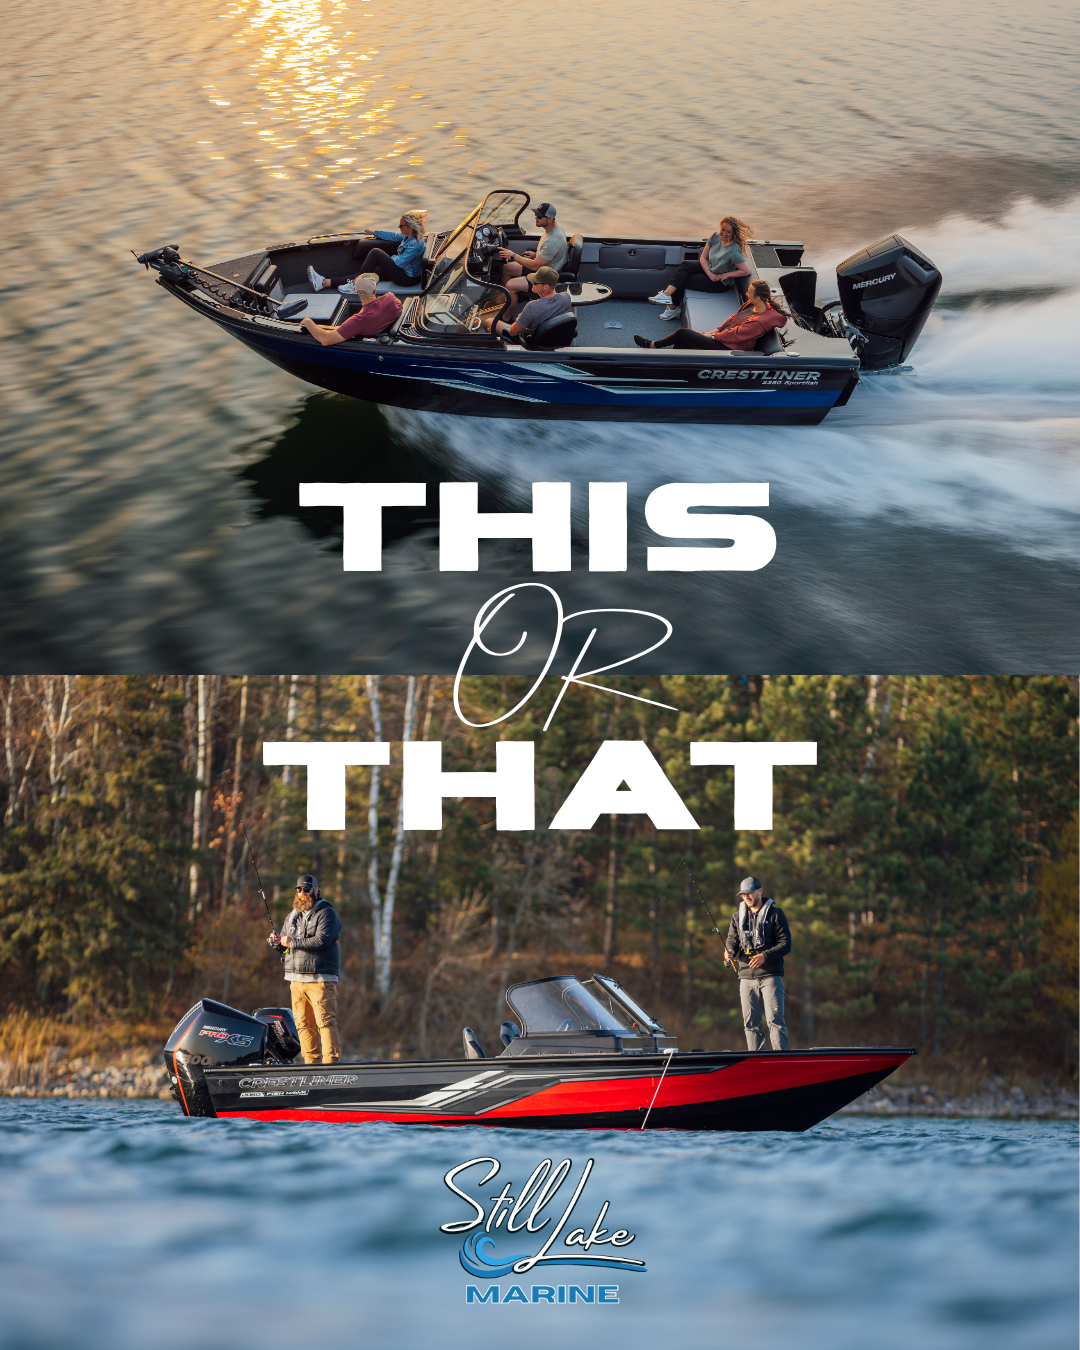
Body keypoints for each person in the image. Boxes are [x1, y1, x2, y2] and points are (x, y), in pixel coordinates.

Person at [268, 874, 342, 1065]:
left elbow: (322, 940)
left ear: (316, 891)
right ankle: (311, 1067)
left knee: (325, 1023)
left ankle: (331, 1067)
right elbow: (286, 947)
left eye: (306, 890)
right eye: (299, 890)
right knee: (303, 1025)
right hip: (296, 980)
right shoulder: (292, 916)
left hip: (320, 980)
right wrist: (278, 943)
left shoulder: (327, 913)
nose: (302, 893)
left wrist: (293, 942)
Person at [724, 876, 791, 1052]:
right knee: (751, 1023)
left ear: (759, 891)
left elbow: (786, 944)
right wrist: (729, 952)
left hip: (771, 976)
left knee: (775, 1020)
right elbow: (732, 941)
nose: (746, 897)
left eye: (750, 893)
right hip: (746, 977)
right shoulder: (737, 917)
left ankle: (781, 1061)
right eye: (743, 894)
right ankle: (756, 1061)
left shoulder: (776, 914)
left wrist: (765, 955)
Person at [647, 215, 752, 319]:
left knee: (684, 280)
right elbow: (703, 258)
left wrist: (727, 274)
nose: (724, 233)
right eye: (723, 229)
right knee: (685, 264)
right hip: (710, 269)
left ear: (733, 233)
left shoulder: (733, 250)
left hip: (718, 282)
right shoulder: (715, 237)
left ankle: (672, 309)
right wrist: (709, 273)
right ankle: (666, 295)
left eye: (728, 232)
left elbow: (746, 271)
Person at [634, 279, 787, 350]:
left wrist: (713, 336)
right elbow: (733, 318)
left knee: (683, 333)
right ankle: (671, 367)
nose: (746, 293)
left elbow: (736, 335)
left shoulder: (758, 323)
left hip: (730, 349)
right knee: (682, 343)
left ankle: (652, 345)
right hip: (724, 338)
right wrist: (716, 330)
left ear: (758, 297)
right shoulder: (751, 305)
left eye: (749, 292)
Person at [307, 210, 428, 293]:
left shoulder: (416, 244)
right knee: (363, 274)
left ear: (410, 227)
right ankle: (324, 283)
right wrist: (374, 232)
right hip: (403, 272)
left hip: (407, 279)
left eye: (401, 226)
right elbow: (394, 236)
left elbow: (398, 263)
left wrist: (387, 260)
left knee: (376, 253)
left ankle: (354, 285)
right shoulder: (408, 237)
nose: (399, 227)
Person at [497, 202, 568, 314]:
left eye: (539, 216)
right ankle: (504, 301)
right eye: (536, 214)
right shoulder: (553, 228)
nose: (536, 217)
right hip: (543, 266)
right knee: (507, 268)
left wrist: (513, 255)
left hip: (545, 276)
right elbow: (549, 254)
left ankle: (506, 317)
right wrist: (536, 254)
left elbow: (535, 266)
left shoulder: (553, 240)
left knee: (510, 285)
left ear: (549, 219)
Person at [298, 272, 402, 345]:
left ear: (355, 290)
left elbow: (325, 340)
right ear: (375, 290)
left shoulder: (359, 321)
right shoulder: (391, 298)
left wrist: (308, 322)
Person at [483, 266, 571, 342]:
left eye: (535, 282)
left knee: (489, 322)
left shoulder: (532, 306)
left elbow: (513, 332)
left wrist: (519, 320)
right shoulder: (566, 297)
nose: (532, 283)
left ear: (546, 287)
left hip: (528, 340)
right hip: (552, 336)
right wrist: (526, 317)